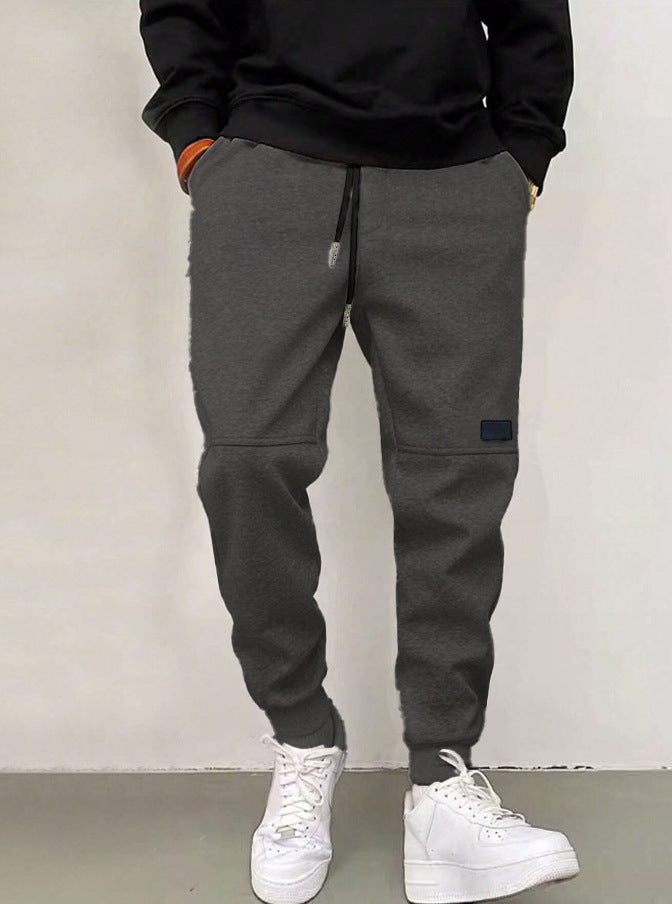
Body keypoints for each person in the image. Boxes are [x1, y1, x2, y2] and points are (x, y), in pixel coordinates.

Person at [139, 1, 577, 901]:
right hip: (267, 172)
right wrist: (196, 142)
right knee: (247, 459)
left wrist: (524, 154)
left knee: (458, 474)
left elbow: (532, 14)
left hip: (456, 183)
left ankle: (442, 782)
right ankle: (303, 738)